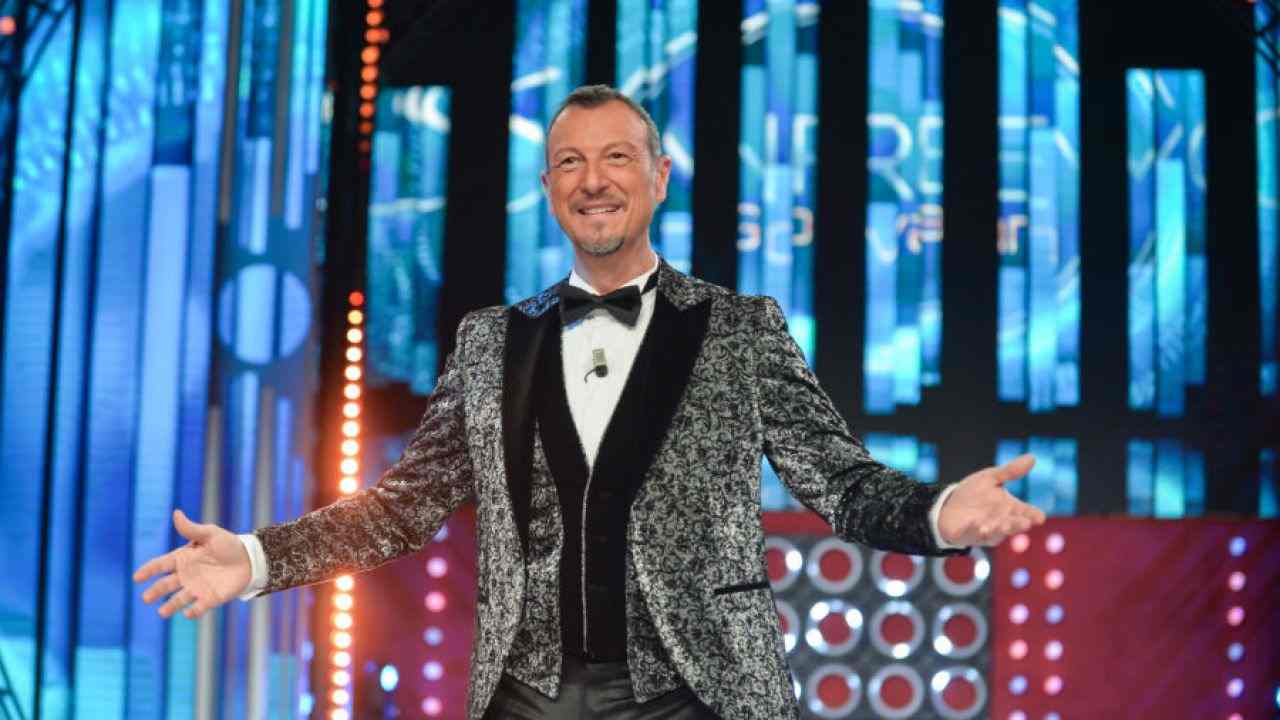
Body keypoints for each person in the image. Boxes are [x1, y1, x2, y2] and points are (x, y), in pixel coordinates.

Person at [134, 84, 1046, 719]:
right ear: (548, 190)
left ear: (659, 176)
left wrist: (939, 514)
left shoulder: (741, 329)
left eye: (616, 157)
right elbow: (403, 507)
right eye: (569, 162)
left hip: (701, 692)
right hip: (528, 695)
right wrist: (256, 559)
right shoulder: (489, 341)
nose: (593, 179)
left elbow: (838, 482)